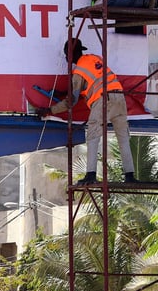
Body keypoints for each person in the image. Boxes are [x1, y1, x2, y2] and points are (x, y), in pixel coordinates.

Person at [39, 39, 137, 186]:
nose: (66, 59)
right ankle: (130, 175)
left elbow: (71, 101)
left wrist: (50, 110)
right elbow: (91, 80)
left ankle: (91, 174)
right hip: (119, 97)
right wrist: (65, 92)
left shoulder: (78, 71)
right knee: (123, 138)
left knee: (93, 136)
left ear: (70, 55)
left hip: (104, 100)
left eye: (66, 55)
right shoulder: (94, 58)